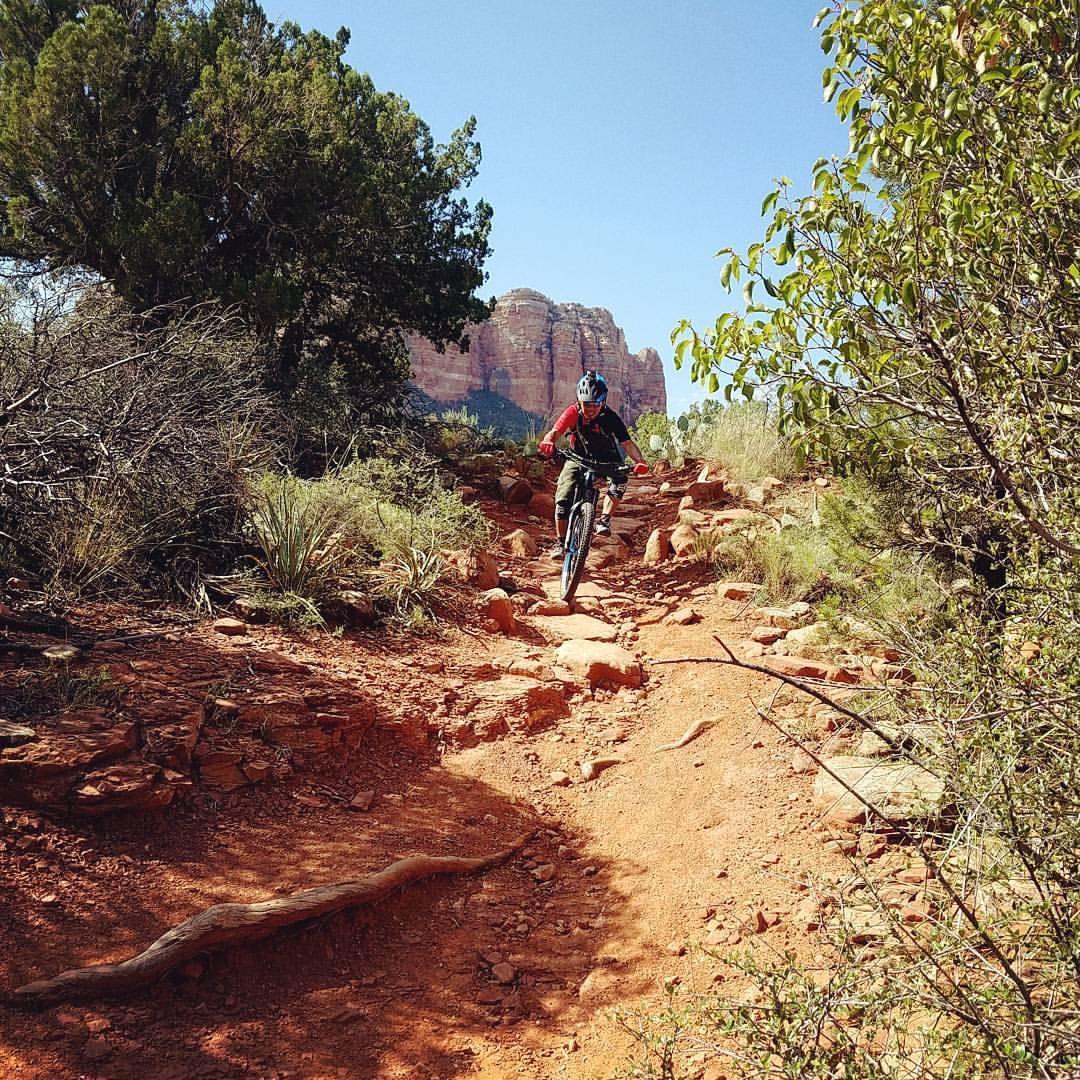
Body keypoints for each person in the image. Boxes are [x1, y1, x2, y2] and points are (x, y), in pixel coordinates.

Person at [537, 370, 651, 559]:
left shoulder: (610, 417)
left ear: (603, 402)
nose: (590, 409)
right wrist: (549, 442)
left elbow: (627, 443)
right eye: (586, 404)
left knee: (620, 479)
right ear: (579, 402)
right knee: (563, 499)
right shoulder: (573, 412)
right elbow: (556, 431)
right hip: (578, 458)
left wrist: (640, 461)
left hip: (608, 459)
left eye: (595, 405)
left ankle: (604, 520)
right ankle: (560, 543)